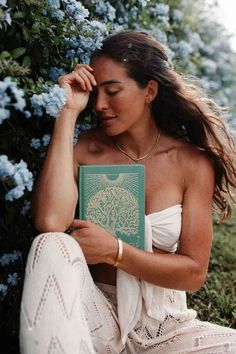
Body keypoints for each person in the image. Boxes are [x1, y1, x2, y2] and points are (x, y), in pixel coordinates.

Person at [20, 30, 236, 353]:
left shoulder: (191, 163)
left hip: (168, 329)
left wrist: (115, 251)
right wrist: (67, 115)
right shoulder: (88, 149)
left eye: (113, 91)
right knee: (50, 243)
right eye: (96, 93)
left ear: (149, 90)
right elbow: (50, 219)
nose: (100, 105)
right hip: (97, 321)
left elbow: (193, 272)